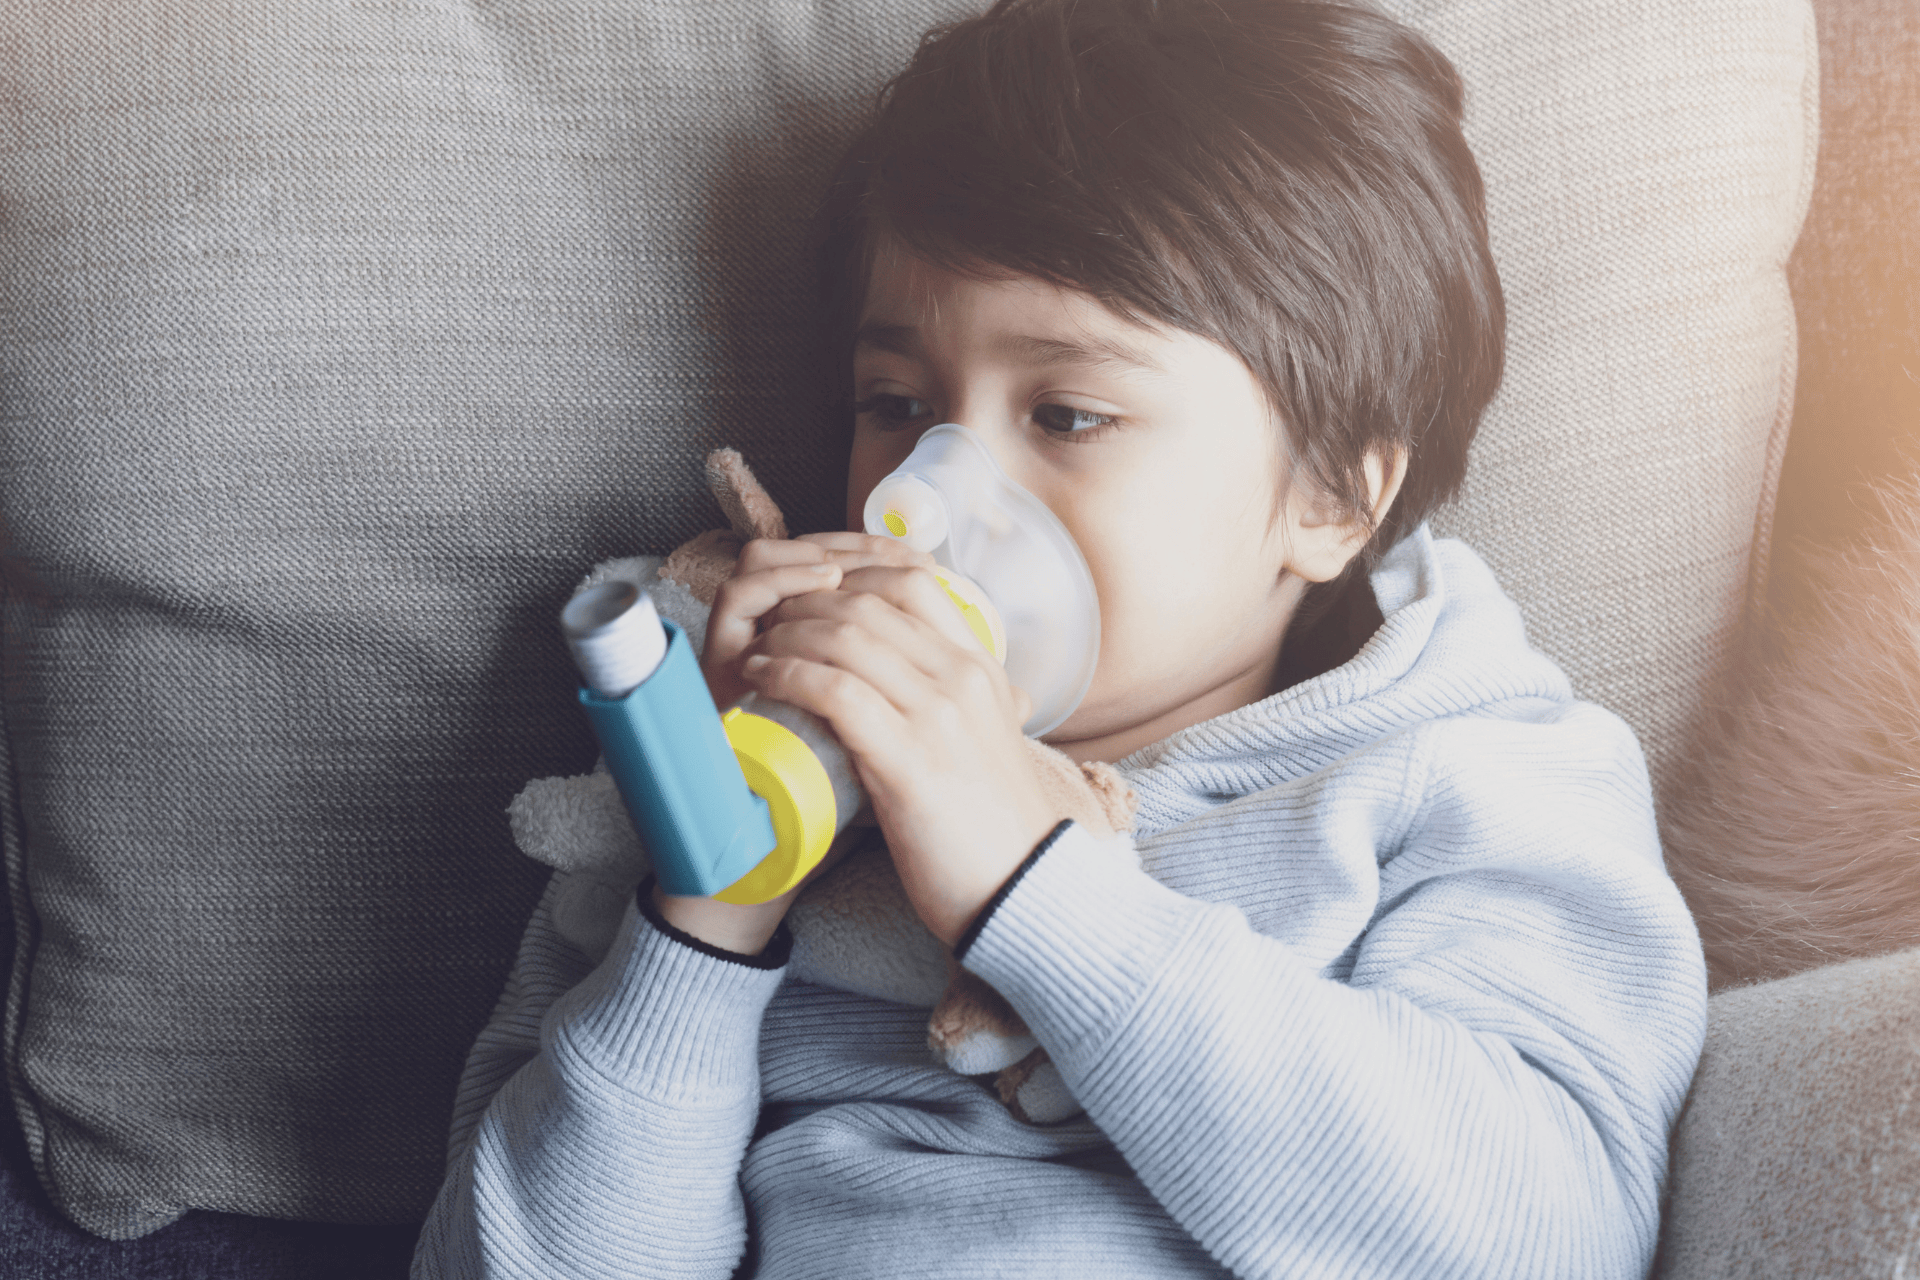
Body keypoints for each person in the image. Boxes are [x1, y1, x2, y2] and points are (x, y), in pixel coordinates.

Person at [412, 1, 1707, 1275]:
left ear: (1332, 500)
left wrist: (1038, 887)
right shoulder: (714, 771)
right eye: (898, 403)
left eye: (1071, 414)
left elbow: (1548, 1237)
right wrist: (702, 922)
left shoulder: (1472, 770)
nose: (922, 495)